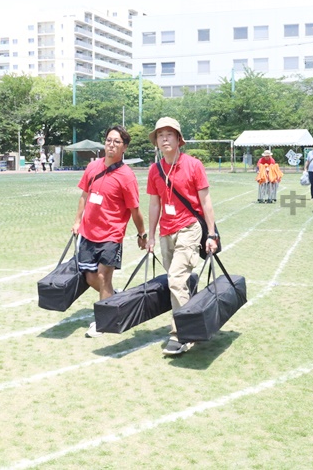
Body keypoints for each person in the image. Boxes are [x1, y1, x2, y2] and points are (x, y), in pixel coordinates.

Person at [146, 117, 218, 356]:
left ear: (179, 139)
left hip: (189, 227)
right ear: (156, 141)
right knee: (176, 279)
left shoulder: (193, 165)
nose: (164, 138)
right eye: (160, 135)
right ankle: (190, 292)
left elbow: (205, 201)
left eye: (170, 134)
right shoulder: (154, 170)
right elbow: (154, 204)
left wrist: (212, 233)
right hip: (167, 232)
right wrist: (152, 235)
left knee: (176, 280)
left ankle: (182, 334)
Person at [73, 125, 147, 338]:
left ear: (124, 148)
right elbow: (84, 196)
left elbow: (135, 210)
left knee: (104, 277)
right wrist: (77, 221)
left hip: (111, 235)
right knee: (89, 277)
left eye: (117, 142)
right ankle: (114, 298)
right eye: (108, 140)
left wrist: (142, 234)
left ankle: (103, 322)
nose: (111, 145)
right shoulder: (93, 167)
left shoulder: (126, 176)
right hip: (88, 233)